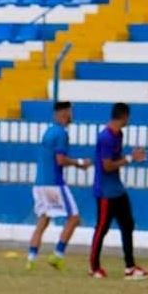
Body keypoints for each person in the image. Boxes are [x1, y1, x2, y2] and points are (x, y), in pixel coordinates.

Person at [26, 101, 92, 270]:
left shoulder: (48, 131)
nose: (72, 115)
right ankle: (58, 255)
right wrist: (79, 163)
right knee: (74, 218)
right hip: (54, 183)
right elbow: (60, 160)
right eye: (70, 111)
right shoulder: (62, 133)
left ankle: (31, 259)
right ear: (65, 112)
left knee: (44, 219)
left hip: (39, 183)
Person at [88, 103, 148, 279]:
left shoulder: (118, 134)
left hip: (117, 189)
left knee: (127, 224)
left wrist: (129, 157)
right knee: (102, 228)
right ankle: (93, 267)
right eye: (128, 117)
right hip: (106, 192)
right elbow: (107, 166)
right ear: (123, 116)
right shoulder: (106, 137)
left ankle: (130, 267)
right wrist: (130, 158)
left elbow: (115, 160)